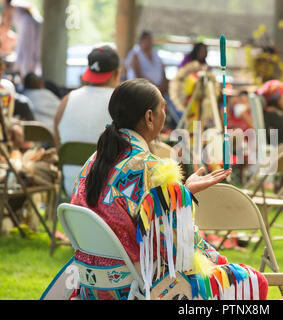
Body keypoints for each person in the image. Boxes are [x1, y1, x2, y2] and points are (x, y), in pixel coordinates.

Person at [43, 78, 268, 300]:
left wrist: (182, 193)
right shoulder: (152, 169)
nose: (164, 114)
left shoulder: (93, 161)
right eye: (163, 108)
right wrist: (218, 260)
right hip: (135, 287)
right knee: (252, 279)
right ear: (150, 117)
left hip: (91, 285)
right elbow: (179, 250)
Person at [54, 45, 120, 197]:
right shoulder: (121, 102)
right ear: (117, 73)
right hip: (110, 192)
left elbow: (58, 142)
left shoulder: (66, 100)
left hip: (71, 187)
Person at [1, 0, 42, 77]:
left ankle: (26, 77)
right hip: (36, 25)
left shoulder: (10, 6)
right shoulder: (19, 4)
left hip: (27, 26)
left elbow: (5, 26)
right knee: (34, 52)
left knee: (25, 53)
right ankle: (32, 76)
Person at [124, 30, 168, 95]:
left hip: (157, 89)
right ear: (142, 41)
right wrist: (153, 86)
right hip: (141, 90)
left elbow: (162, 69)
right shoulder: (135, 54)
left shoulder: (155, 53)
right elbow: (138, 74)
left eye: (151, 40)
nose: (150, 42)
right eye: (148, 40)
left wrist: (163, 85)